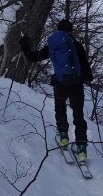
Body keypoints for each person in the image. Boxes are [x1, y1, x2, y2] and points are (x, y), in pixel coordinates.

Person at [22, 19, 93, 163]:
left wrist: (24, 44)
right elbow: (87, 71)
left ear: (58, 30)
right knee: (78, 116)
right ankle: (81, 148)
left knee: (60, 109)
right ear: (71, 31)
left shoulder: (53, 46)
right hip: (77, 85)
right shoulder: (77, 46)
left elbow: (34, 57)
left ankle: (64, 136)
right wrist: (86, 77)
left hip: (60, 84)